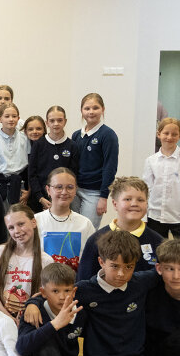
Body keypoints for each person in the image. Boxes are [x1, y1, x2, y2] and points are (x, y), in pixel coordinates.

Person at [77, 177, 164, 281]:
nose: (134, 204)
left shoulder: (158, 242)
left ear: (147, 204)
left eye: (140, 200)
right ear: (115, 204)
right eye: (128, 199)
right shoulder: (96, 240)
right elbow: (84, 280)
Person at [0, 205, 53, 318]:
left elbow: (44, 297)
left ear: (33, 222)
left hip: (28, 320)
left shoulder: (46, 260)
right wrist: (9, 318)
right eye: (11, 228)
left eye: (21, 224)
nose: (17, 231)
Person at [142, 117, 180, 245]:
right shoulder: (151, 161)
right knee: (156, 252)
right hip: (155, 216)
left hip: (179, 217)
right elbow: (146, 189)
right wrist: (144, 215)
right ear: (159, 134)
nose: (169, 137)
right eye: (166, 133)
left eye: (174, 134)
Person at [71, 93, 118, 227]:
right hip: (75, 190)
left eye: (95, 108)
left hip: (94, 193)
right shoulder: (76, 135)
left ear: (103, 109)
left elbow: (110, 167)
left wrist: (103, 196)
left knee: (88, 230)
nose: (91, 112)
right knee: (72, 229)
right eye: (87, 108)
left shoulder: (108, 135)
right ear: (81, 111)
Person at [34, 168, 95, 271]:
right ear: (48, 190)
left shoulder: (85, 224)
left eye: (70, 187)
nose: (64, 192)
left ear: (75, 190)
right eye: (59, 187)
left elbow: (91, 260)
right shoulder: (35, 221)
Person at [27, 105, 79, 213]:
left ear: (65, 121)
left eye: (59, 120)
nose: (56, 124)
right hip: (40, 199)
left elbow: (73, 175)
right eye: (52, 121)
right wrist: (40, 197)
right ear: (47, 123)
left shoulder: (72, 146)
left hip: (63, 199)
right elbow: (32, 174)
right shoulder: (38, 145)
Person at [0, 104, 27, 206]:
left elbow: (30, 166)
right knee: (1, 213)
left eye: (14, 116)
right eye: (7, 116)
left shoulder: (25, 138)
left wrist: (29, 190)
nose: (11, 119)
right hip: (0, 184)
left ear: (18, 118)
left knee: (20, 214)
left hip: (21, 185)